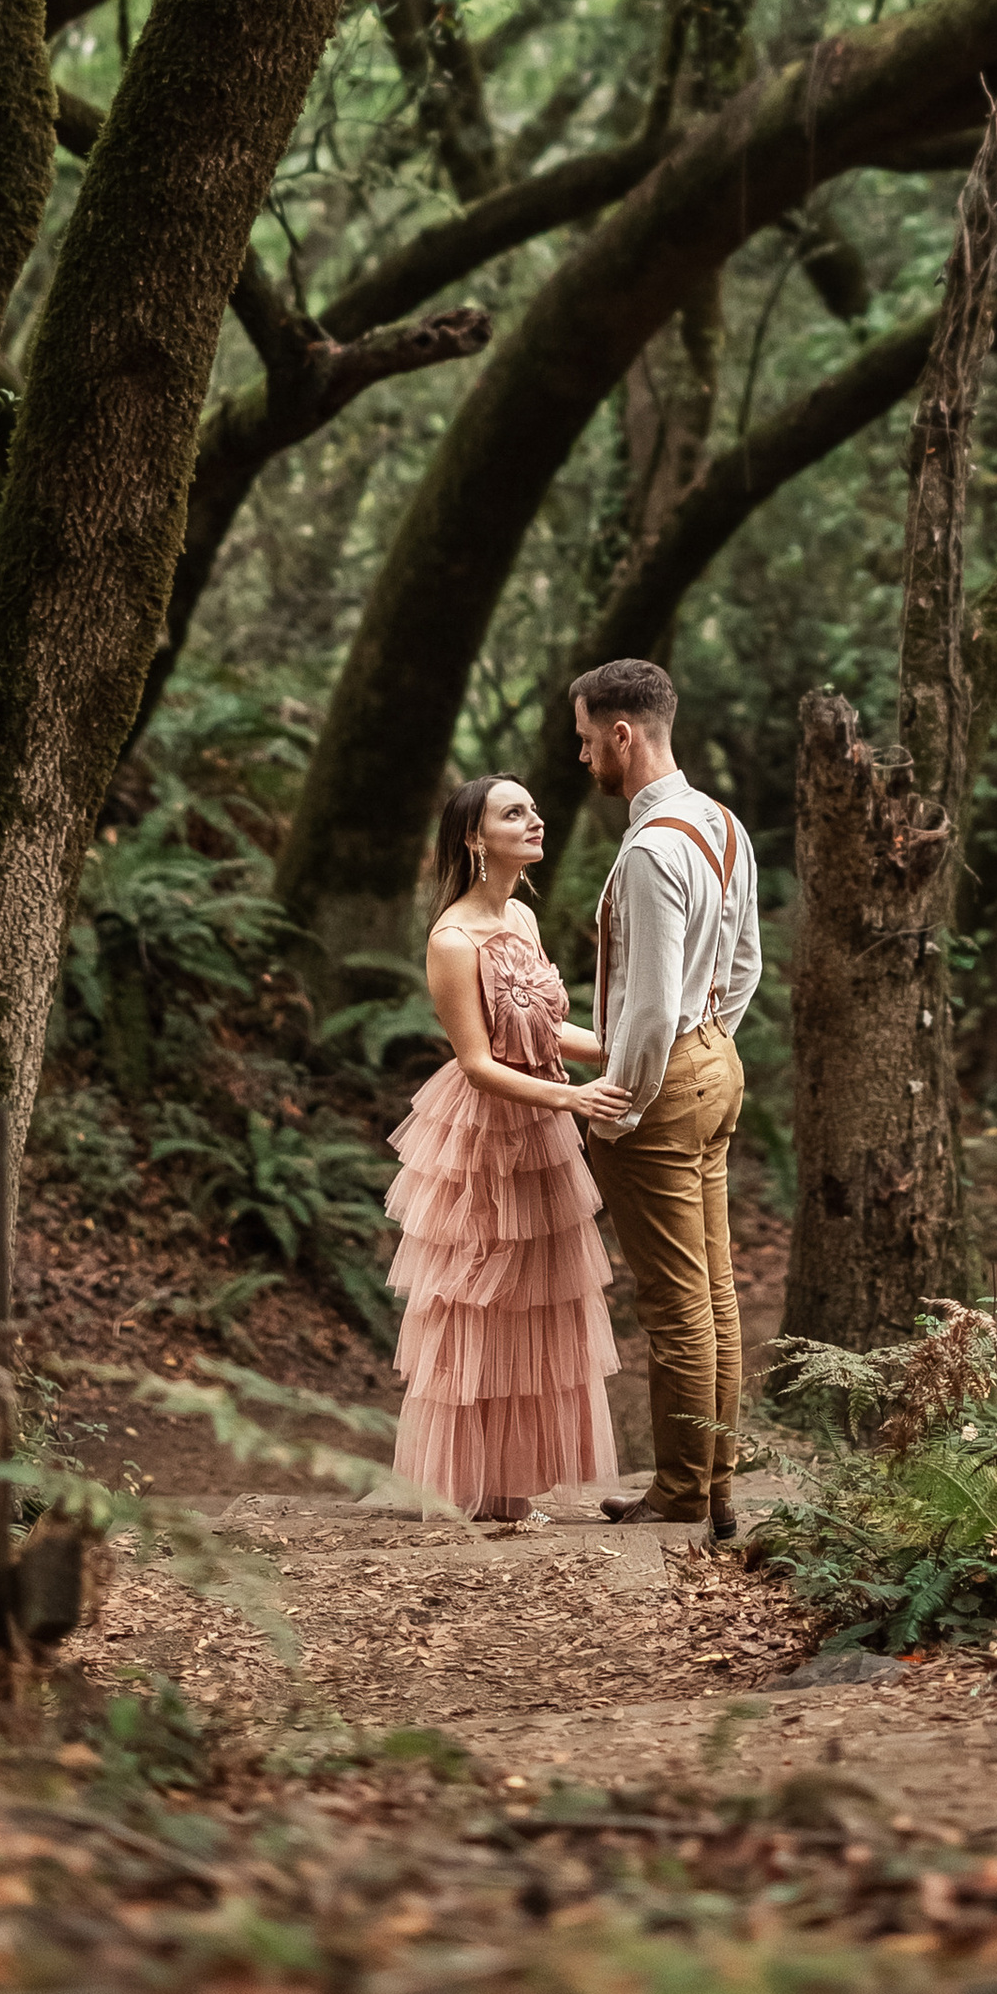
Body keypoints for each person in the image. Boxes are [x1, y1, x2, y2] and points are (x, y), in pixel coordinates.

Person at [384, 774, 629, 1521]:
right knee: (477, 1298)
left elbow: (546, 1033)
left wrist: (629, 1054)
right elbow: (478, 1062)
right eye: (512, 812)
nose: (535, 819)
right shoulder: (452, 939)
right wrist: (572, 1096)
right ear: (472, 837)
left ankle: (509, 1483)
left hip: (543, 1124)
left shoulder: (522, 918)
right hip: (486, 1130)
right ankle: (463, 1484)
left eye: (533, 807)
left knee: (535, 1300)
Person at [571, 658, 762, 1539]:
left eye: (585, 740)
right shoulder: (722, 825)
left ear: (623, 734)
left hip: (663, 1079)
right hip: (715, 1062)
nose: (581, 758)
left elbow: (646, 1007)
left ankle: (686, 1490)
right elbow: (746, 963)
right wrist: (712, 1034)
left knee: (677, 1300)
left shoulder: (652, 850)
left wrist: (625, 1100)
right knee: (713, 1288)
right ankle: (712, 1480)